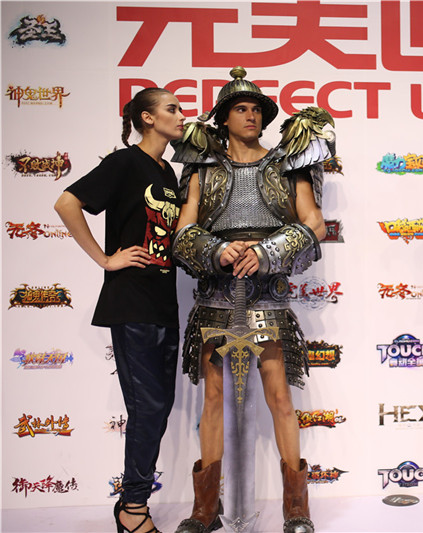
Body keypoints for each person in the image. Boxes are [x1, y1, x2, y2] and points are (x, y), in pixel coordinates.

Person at [170, 67, 333, 533]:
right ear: (223, 117)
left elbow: (315, 224)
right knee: (213, 398)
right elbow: (183, 230)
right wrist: (216, 249)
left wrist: (266, 252)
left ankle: (296, 507)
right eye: (241, 108)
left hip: (268, 296)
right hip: (217, 295)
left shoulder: (287, 163)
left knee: (279, 396)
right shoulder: (202, 166)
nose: (251, 115)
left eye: (256, 109)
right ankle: (205, 509)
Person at [54, 88, 185, 533]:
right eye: (172, 109)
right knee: (148, 407)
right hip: (131, 301)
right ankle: (132, 509)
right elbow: (67, 203)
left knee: (159, 408)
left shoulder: (168, 171)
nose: (181, 116)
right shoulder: (126, 162)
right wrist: (105, 259)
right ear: (147, 118)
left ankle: (133, 503)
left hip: (164, 302)